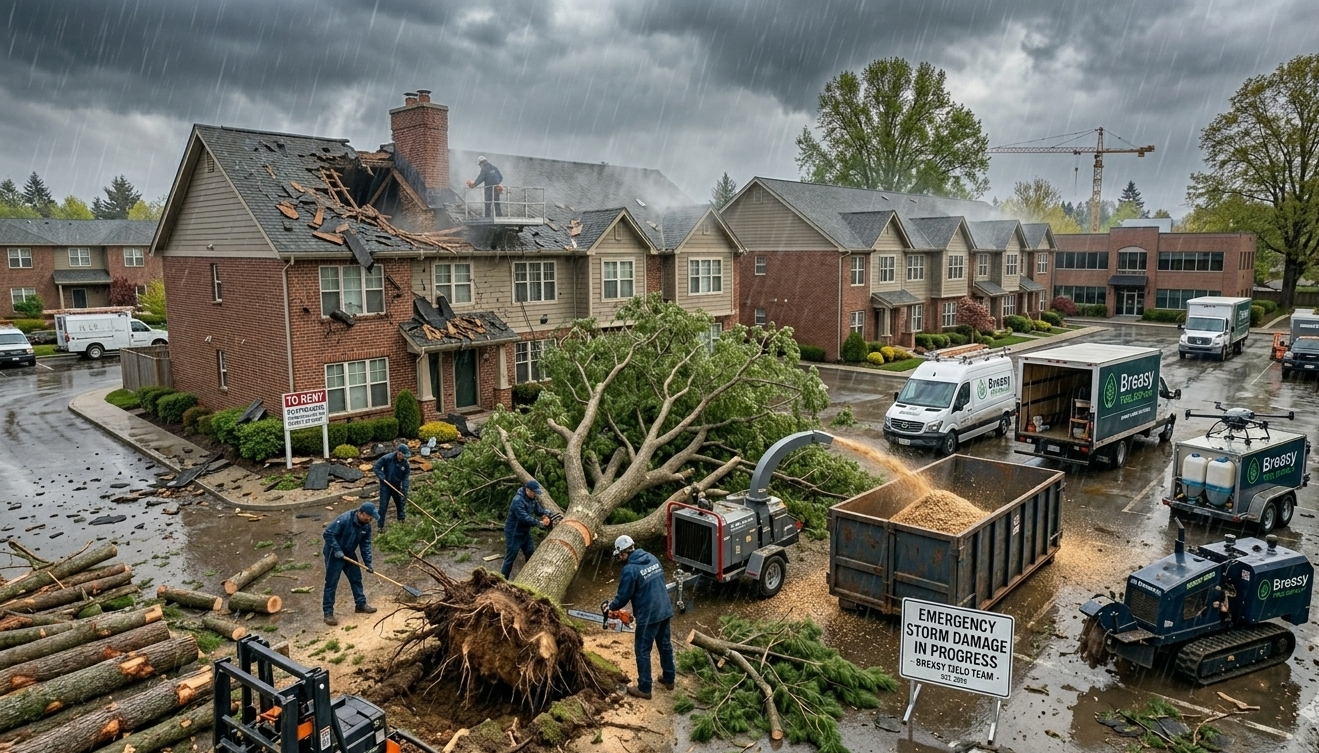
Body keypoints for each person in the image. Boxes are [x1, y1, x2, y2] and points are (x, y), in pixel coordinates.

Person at [604, 534, 675, 699]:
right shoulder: (651, 557)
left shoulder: (630, 569)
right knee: (665, 645)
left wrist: (611, 607)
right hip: (664, 608)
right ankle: (669, 679)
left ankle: (644, 688)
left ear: (623, 552)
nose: (620, 558)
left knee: (642, 650)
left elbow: (623, 596)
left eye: (620, 555)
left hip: (649, 614)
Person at [322, 502, 379, 626]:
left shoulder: (366, 526)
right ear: (362, 513)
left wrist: (368, 562)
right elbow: (328, 534)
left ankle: (360, 604)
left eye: (372, 517)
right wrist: (337, 549)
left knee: (356, 579)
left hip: (349, 553)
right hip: (334, 554)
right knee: (331, 583)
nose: (370, 519)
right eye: (369, 516)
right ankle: (328, 613)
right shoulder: (344, 519)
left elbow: (365, 545)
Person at [501, 479, 551, 578]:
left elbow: (539, 510)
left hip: (524, 532)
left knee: (530, 552)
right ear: (528, 490)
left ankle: (528, 576)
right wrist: (540, 523)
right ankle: (502, 579)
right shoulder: (518, 500)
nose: (535, 495)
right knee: (511, 557)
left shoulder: (532, 499)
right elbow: (523, 518)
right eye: (534, 492)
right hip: (514, 532)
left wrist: (546, 514)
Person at [373, 443, 411, 531]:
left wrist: (404, 490)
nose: (405, 458)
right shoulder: (387, 458)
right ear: (399, 453)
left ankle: (401, 521)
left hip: (396, 486)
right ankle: (380, 526)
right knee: (383, 507)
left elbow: (406, 478)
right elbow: (376, 467)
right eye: (404, 455)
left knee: (400, 504)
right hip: (385, 486)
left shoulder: (405, 464)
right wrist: (381, 476)